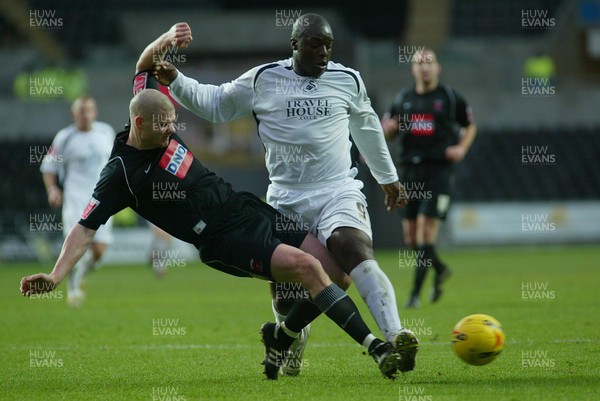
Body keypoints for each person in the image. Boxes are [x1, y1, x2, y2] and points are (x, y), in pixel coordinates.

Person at [20, 24, 405, 381]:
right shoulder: (121, 174)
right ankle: (377, 349)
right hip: (222, 239)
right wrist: (55, 275)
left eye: (174, 121)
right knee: (307, 267)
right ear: (140, 125)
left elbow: (144, 63)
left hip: (244, 207)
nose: (173, 129)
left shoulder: (149, 106)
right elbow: (85, 228)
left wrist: (167, 37)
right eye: (165, 125)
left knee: (336, 273)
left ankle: (282, 337)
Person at [151, 15, 419, 377]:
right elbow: (217, 104)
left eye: (327, 45)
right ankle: (291, 340)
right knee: (287, 294)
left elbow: (367, 126)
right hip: (286, 200)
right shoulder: (264, 79)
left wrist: (388, 178)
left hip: (337, 189)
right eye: (314, 44)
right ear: (294, 45)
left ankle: (396, 335)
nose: (323, 52)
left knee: (353, 250)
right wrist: (177, 82)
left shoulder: (347, 79)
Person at [381, 48, 477, 308]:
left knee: (425, 230)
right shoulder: (403, 99)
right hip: (410, 172)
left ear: (438, 68)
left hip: (439, 171)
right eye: (419, 63)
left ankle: (414, 294)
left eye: (429, 62)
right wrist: (387, 130)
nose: (424, 67)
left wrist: (461, 148)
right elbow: (388, 130)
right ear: (413, 69)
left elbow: (470, 125)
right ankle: (440, 269)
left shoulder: (449, 97)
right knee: (412, 239)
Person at [40, 96, 115, 307]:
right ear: (74, 114)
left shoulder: (106, 132)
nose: (86, 114)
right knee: (73, 246)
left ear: (95, 111)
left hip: (102, 198)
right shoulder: (64, 137)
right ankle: (72, 286)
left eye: (89, 110)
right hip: (75, 198)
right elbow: (48, 167)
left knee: (99, 251)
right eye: (81, 111)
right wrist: (53, 189)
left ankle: (80, 274)